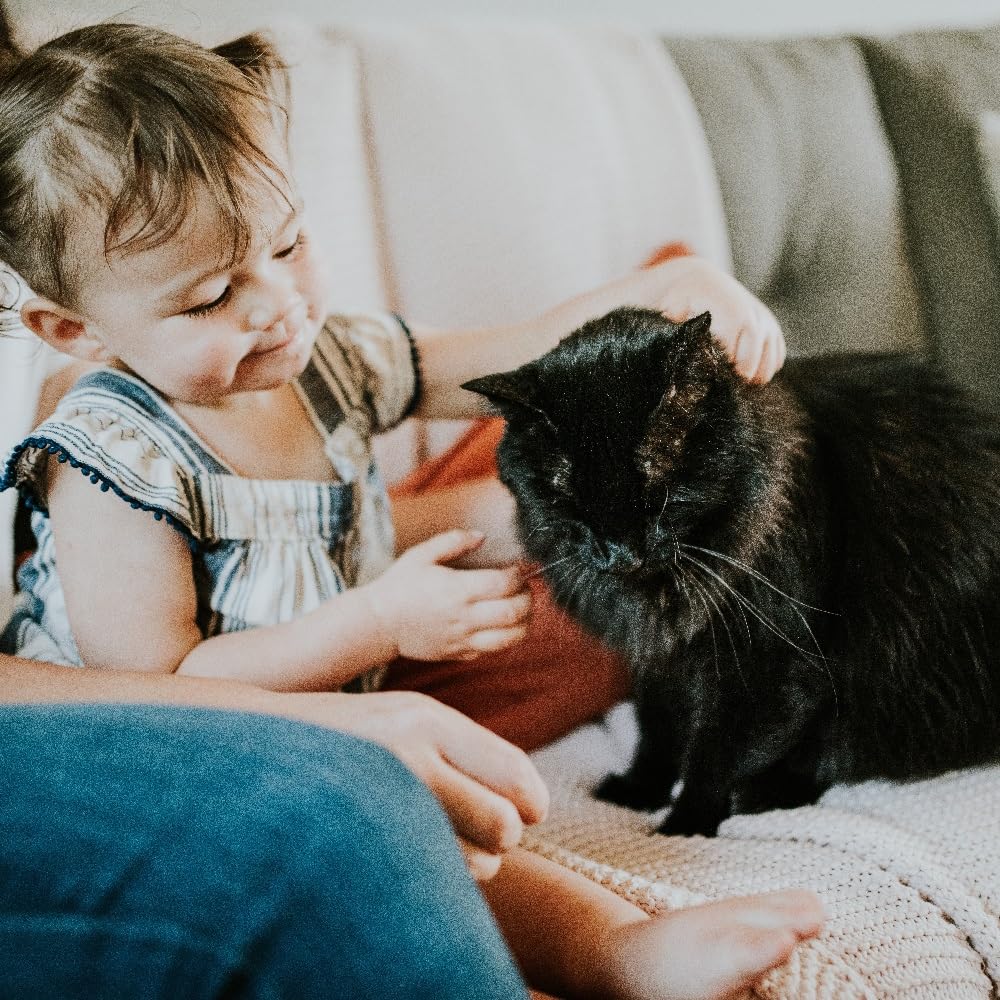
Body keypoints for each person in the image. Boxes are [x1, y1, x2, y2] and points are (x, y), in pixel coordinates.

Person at [0, 22, 823, 1000]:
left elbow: (514, 355)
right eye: (212, 295)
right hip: (165, 754)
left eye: (289, 244)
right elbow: (163, 683)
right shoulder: (110, 463)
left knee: (447, 822)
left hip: (317, 722)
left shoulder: (329, 360)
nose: (277, 304)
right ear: (75, 329)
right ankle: (607, 952)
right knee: (413, 827)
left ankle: (618, 949)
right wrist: (380, 622)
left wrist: (661, 294)